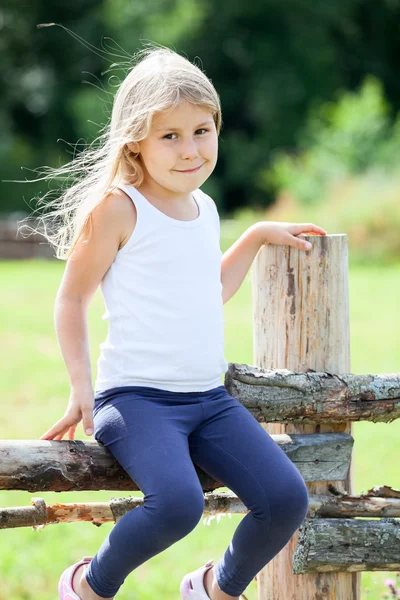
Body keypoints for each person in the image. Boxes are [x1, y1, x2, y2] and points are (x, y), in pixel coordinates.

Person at [37, 45, 327, 600]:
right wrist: (81, 388)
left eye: (202, 130)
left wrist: (255, 235)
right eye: (170, 136)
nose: (190, 150)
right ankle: (88, 584)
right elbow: (71, 299)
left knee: (287, 498)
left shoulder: (205, 208)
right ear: (135, 143)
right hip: (138, 400)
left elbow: (206, 293)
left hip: (207, 400)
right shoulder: (118, 208)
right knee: (177, 505)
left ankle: (215, 587)